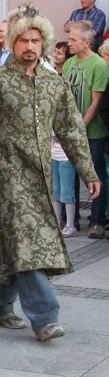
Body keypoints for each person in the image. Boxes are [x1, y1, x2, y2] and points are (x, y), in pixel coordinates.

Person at [0, 3, 101, 342]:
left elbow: (72, 130)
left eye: (36, 40)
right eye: (23, 40)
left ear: (45, 43)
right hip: (6, 175)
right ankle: (45, 317)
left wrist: (89, 172)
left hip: (41, 176)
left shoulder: (54, 84)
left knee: (13, 242)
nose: (30, 46)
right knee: (26, 242)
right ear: (13, 44)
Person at [62, 21, 108, 239]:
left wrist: (81, 126)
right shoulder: (70, 63)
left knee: (95, 176)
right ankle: (70, 219)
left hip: (92, 132)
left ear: (87, 42)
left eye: (73, 39)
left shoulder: (99, 65)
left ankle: (97, 221)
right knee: (68, 175)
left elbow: (96, 101)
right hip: (70, 132)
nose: (69, 43)